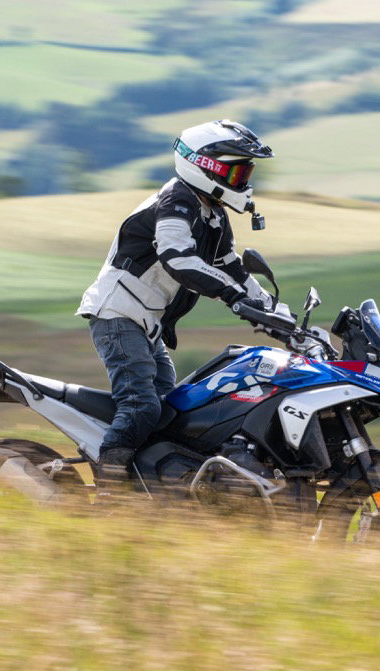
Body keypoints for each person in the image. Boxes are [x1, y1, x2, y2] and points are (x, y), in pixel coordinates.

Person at [77, 119, 291, 487]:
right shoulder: (176, 202)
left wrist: (278, 316)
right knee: (142, 407)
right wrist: (234, 297)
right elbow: (179, 258)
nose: (245, 181)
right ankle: (109, 490)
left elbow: (234, 270)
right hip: (118, 316)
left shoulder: (211, 213)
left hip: (145, 324)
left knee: (170, 411)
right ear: (207, 166)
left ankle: (150, 485)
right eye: (238, 171)